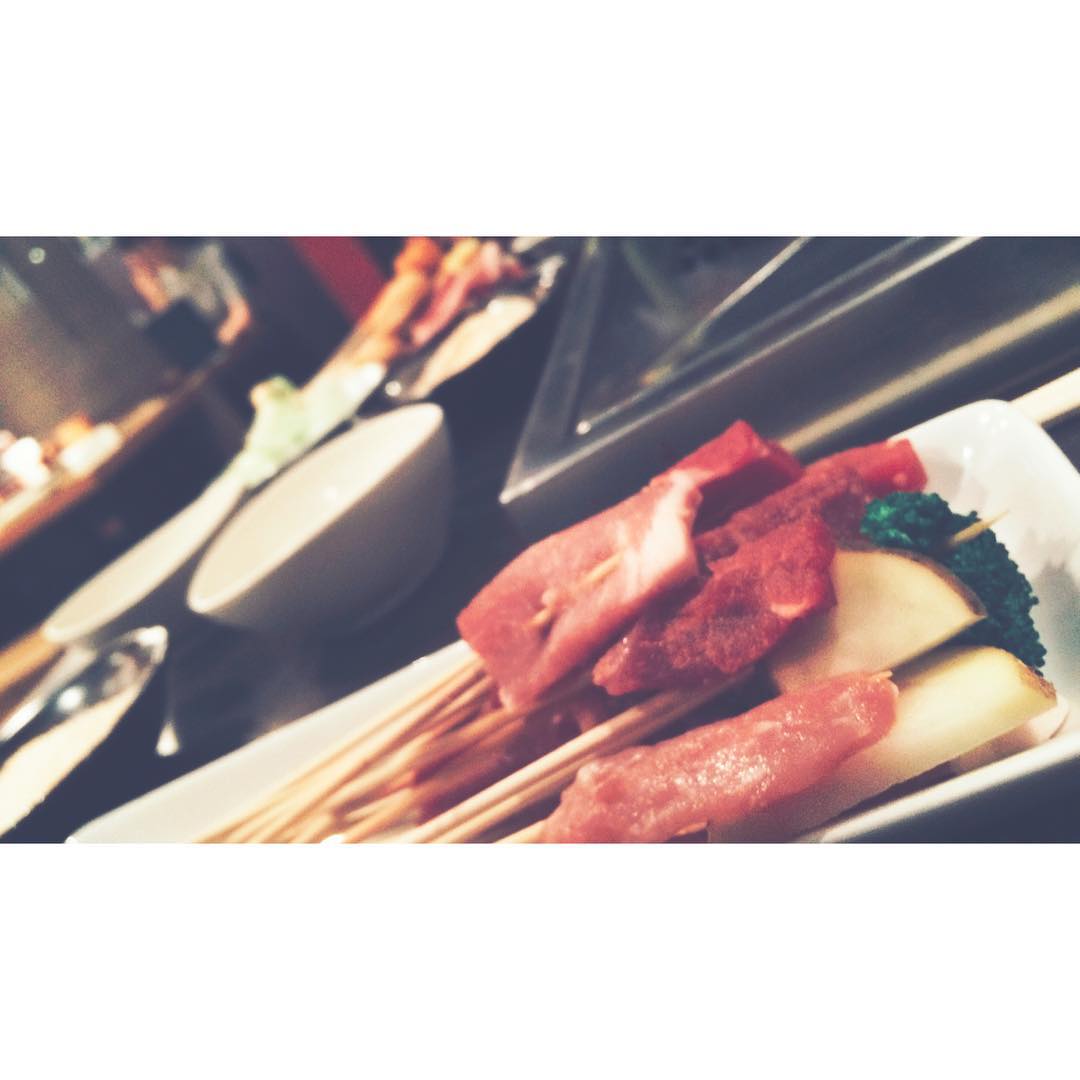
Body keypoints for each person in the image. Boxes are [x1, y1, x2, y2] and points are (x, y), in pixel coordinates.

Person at [117, 237, 253, 346]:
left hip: (244, 341)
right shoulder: (163, 278)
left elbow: (241, 312)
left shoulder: (207, 254)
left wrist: (216, 344)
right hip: (212, 352)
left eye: (138, 256)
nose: (138, 265)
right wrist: (153, 292)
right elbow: (181, 334)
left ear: (155, 241)